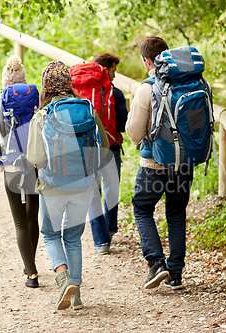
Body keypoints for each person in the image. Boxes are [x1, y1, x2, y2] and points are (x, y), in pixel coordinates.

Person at [26, 61, 109, 310]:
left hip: (53, 186)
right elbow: (103, 147)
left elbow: (36, 158)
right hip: (84, 184)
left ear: (46, 87)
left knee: (51, 234)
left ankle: (63, 280)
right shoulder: (88, 109)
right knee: (73, 237)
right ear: (68, 84)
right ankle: (77, 296)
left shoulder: (42, 116)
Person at [125, 37, 194, 290]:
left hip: (154, 165)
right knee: (176, 214)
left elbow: (133, 133)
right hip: (184, 163)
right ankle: (175, 274)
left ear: (146, 61)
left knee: (142, 208)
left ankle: (156, 264)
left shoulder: (147, 88)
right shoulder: (188, 81)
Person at [0, 55, 40, 288]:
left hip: (12, 166)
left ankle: (31, 273)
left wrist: (0, 150)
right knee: (32, 217)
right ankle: (31, 262)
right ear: (23, 81)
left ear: (4, 81)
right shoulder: (37, 101)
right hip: (35, 165)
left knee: (19, 222)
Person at [87, 52, 128, 254]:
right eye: (113, 70)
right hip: (110, 149)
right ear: (106, 69)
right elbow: (122, 124)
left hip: (85, 150)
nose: (115, 75)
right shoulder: (116, 93)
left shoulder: (79, 91)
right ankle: (110, 229)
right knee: (111, 191)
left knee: (93, 194)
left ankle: (101, 242)